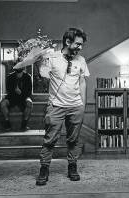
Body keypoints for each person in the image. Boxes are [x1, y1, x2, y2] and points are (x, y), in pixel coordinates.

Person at [35, 28, 89, 186]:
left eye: (81, 45)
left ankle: (72, 167)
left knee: (73, 140)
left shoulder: (81, 60)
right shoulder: (52, 57)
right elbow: (44, 76)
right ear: (67, 42)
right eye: (78, 44)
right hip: (56, 106)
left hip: (76, 106)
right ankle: (44, 169)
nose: (80, 47)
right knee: (49, 140)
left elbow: (82, 82)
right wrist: (40, 60)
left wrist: (82, 105)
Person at [0, 66, 33, 131]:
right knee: (3, 103)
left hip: (24, 97)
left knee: (29, 102)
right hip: (12, 97)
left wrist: (21, 92)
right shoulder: (10, 77)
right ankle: (7, 123)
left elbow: (29, 92)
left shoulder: (28, 77)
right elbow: (8, 90)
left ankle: (24, 124)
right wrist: (15, 91)